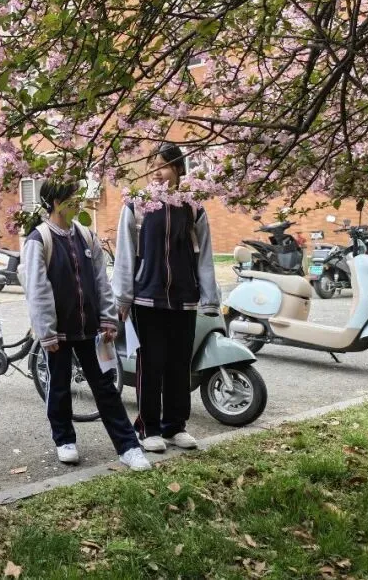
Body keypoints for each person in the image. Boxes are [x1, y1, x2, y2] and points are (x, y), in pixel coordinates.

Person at [22, 178, 151, 472]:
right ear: (57, 203)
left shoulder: (86, 236)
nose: (79, 202)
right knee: (59, 385)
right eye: (73, 197)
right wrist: (46, 332)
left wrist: (108, 318)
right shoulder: (40, 239)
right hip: (58, 332)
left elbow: (101, 282)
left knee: (105, 387)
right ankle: (64, 439)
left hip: (91, 330)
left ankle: (128, 446)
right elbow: (37, 289)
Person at [112, 142, 221, 453]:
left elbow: (205, 255)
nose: (157, 172)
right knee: (151, 363)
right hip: (147, 297)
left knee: (178, 363)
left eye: (163, 166)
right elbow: (125, 253)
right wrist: (122, 298)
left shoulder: (193, 206)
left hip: (184, 298)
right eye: (153, 166)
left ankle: (175, 426)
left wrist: (209, 296)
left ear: (178, 169)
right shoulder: (138, 203)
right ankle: (148, 427)